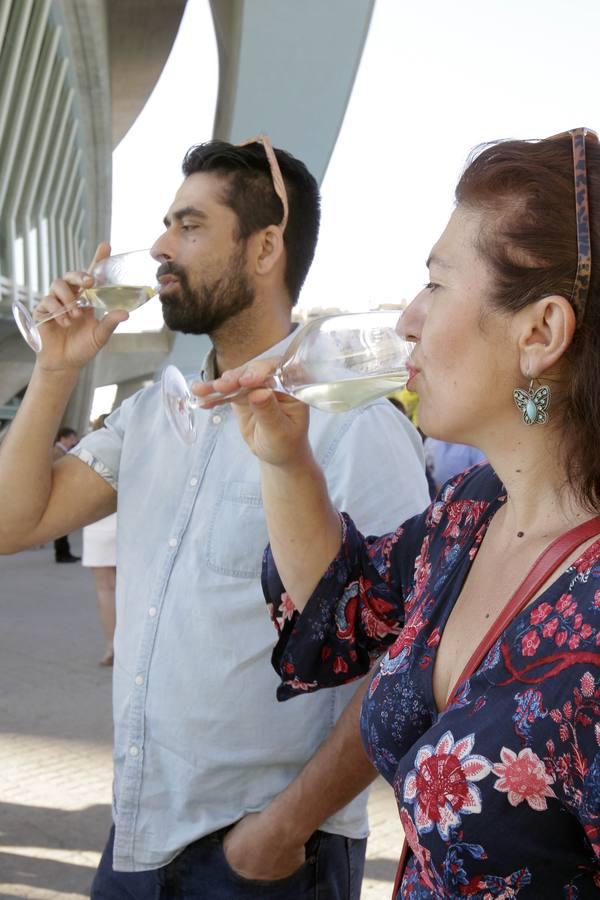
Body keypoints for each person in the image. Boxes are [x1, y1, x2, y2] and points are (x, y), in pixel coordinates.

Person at [0, 138, 430, 897]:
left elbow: (411, 657)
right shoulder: (153, 414)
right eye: (165, 224)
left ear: (265, 248)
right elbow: (13, 523)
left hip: (262, 857)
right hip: (138, 835)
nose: (162, 248)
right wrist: (56, 371)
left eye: (190, 226)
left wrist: (288, 826)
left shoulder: (356, 426)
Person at [197, 128, 600, 897]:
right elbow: (338, 617)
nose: (407, 319)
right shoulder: (474, 513)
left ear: (541, 332)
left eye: (437, 285)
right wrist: (286, 457)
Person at [82, 415, 117, 667]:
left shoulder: (87, 447)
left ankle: (111, 646)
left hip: (98, 524)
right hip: (128, 521)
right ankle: (130, 644)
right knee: (131, 588)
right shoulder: (134, 444)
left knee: (105, 590)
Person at [52, 426, 80, 562]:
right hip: (59, 492)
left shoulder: (62, 451)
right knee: (61, 525)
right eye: (71, 438)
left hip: (61, 492)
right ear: (63, 438)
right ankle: (62, 554)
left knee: (62, 525)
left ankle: (64, 553)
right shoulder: (57, 453)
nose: (74, 441)